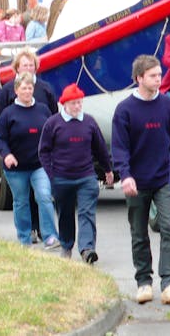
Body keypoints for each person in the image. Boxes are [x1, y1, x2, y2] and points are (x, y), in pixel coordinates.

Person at [112, 54, 170, 306]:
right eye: (153, 76)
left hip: (164, 178)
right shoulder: (124, 110)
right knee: (139, 232)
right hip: (137, 180)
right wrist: (126, 174)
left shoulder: (166, 104)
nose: (158, 79)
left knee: (169, 228)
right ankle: (144, 282)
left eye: (159, 75)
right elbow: (120, 147)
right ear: (139, 78)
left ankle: (169, 283)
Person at [39, 83, 114, 262]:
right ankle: (66, 245)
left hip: (86, 176)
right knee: (65, 214)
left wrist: (108, 169)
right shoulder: (53, 123)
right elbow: (43, 151)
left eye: (80, 103)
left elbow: (100, 148)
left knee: (87, 212)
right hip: (61, 178)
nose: (77, 107)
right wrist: (51, 176)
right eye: (73, 103)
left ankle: (87, 248)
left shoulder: (89, 121)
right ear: (64, 104)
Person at [0, 47, 58, 243]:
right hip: (16, 164)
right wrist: (5, 153)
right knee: (21, 201)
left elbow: (54, 126)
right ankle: (24, 236)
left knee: (44, 197)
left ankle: (49, 236)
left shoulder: (44, 103)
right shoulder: (7, 108)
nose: (28, 90)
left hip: (39, 163)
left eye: (31, 65)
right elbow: (0, 132)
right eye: (24, 66)